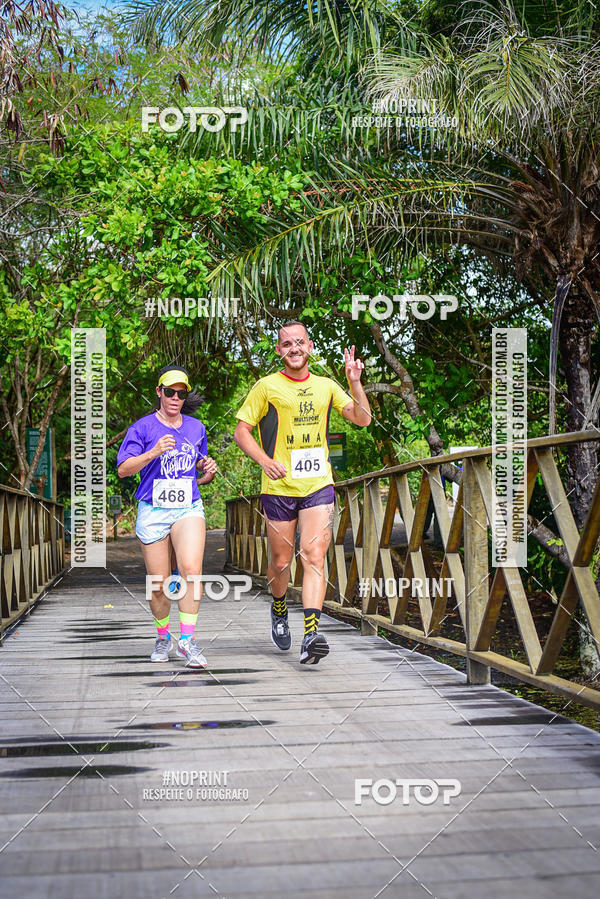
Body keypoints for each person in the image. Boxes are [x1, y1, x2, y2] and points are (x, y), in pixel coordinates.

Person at [234, 322, 371, 664]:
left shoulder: (326, 386)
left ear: (309, 346)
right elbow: (242, 432)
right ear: (279, 350)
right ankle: (279, 609)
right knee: (281, 562)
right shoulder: (266, 387)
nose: (294, 348)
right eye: (286, 344)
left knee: (313, 555)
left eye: (299, 342)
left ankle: (311, 634)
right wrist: (265, 461)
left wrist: (354, 381)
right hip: (279, 487)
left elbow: (363, 418)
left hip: (317, 484)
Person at [117, 365, 217, 668]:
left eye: (181, 393)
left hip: (188, 506)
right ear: (159, 392)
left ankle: (187, 640)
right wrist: (152, 452)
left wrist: (207, 471)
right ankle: (163, 636)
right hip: (153, 509)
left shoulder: (196, 428)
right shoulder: (143, 427)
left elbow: (194, 471)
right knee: (159, 584)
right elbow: (123, 469)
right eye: (170, 391)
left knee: (190, 569)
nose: (175, 397)